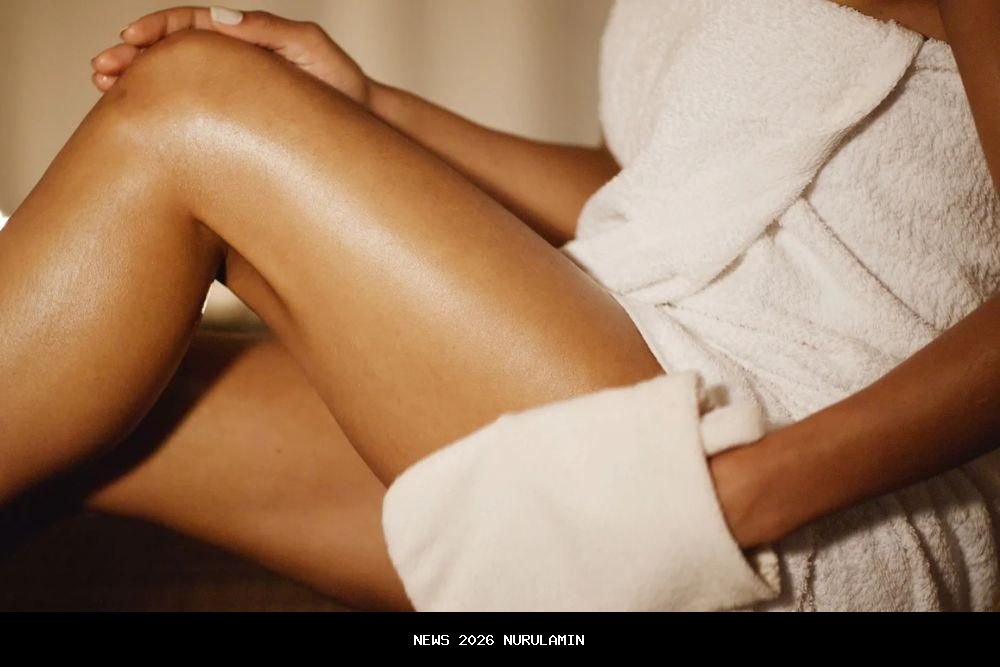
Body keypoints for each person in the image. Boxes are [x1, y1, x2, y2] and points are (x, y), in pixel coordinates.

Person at [1, 1, 997, 611]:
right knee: (113, 398)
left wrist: (746, 493)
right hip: (654, 376)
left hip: (808, 487)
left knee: (191, 100)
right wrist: (373, 106)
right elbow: (653, 197)